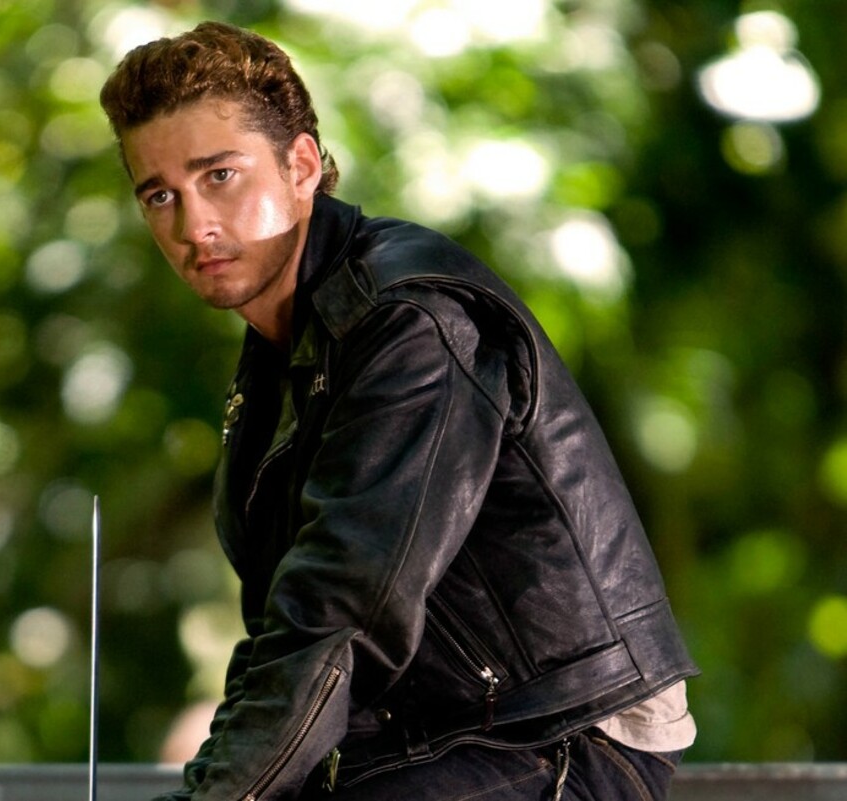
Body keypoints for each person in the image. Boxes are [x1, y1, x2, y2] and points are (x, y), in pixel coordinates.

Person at [99, 21, 698, 801]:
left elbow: (340, 609)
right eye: (160, 195)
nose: (193, 225)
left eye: (220, 175)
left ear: (301, 165)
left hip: (558, 732)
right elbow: (283, 632)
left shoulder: (407, 322)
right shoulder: (277, 363)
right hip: (425, 739)